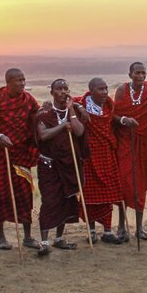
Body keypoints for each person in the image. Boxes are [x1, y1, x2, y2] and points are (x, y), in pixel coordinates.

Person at [0, 68, 41, 254]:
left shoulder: (28, 99)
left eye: (24, 79)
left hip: (21, 154)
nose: (23, 83)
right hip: (0, 154)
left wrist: (44, 112)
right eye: (18, 80)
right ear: (8, 82)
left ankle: (27, 236)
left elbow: (35, 119)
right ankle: (1, 237)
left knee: (24, 194)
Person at [114, 61, 147, 241]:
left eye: (143, 73)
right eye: (137, 73)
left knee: (140, 186)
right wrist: (124, 120)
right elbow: (113, 114)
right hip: (124, 143)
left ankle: (139, 227)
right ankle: (121, 226)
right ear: (130, 75)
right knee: (124, 184)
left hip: (142, 144)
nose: (141, 76)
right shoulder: (122, 90)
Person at [35, 79, 88, 255]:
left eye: (66, 88)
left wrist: (72, 109)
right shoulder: (44, 113)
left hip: (69, 165)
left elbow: (79, 131)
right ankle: (44, 242)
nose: (63, 92)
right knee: (50, 202)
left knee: (67, 200)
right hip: (49, 165)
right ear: (52, 93)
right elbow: (43, 135)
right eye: (59, 89)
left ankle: (58, 238)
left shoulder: (74, 112)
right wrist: (63, 126)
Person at [76, 77, 124, 244]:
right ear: (91, 91)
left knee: (108, 193)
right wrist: (79, 108)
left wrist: (123, 120)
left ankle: (108, 231)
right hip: (89, 155)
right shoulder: (82, 103)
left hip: (106, 154)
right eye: (100, 89)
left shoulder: (109, 105)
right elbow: (68, 101)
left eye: (106, 88)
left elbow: (113, 119)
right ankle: (91, 231)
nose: (104, 92)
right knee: (89, 194)